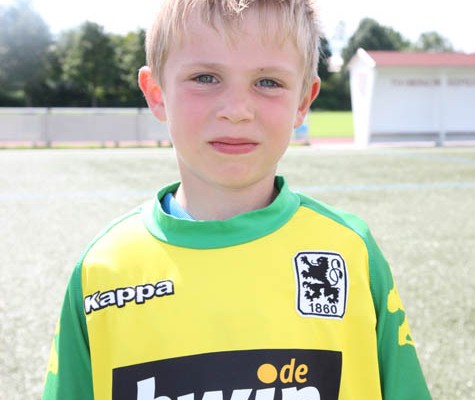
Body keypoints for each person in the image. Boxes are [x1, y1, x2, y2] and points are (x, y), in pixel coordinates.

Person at [42, 1, 431, 399]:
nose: (236, 111)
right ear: (156, 93)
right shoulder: (104, 269)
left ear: (303, 101)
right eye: (205, 77)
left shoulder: (349, 252)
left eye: (268, 82)